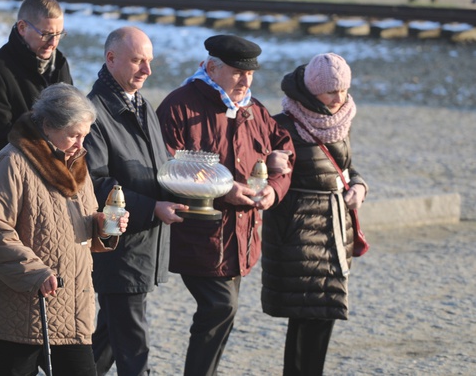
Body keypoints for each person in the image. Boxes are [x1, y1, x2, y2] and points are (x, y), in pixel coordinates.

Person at [0, 83, 129, 376]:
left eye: (85, 135)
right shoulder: (11, 163)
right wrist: (34, 271)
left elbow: (74, 227)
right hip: (11, 314)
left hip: (69, 311)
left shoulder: (76, 166)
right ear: (47, 126)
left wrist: (102, 228)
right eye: (74, 135)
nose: (81, 144)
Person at [156, 34, 294, 376]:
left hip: (243, 236)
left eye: (250, 74)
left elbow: (284, 151)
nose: (245, 80)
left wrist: (274, 189)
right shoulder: (179, 106)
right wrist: (223, 188)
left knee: (223, 314)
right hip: (197, 234)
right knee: (220, 307)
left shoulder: (254, 110)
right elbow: (167, 166)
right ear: (212, 67)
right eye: (237, 73)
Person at [83, 26, 186, 376]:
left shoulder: (142, 103)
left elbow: (159, 166)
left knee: (111, 338)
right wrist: (152, 208)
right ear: (110, 59)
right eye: (138, 61)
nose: (147, 70)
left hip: (144, 246)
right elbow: (96, 184)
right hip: (119, 250)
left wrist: (185, 182)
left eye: (150, 61)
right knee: (133, 347)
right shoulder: (94, 112)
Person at [261, 53, 369, 376]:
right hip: (299, 235)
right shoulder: (283, 125)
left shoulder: (342, 121)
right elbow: (259, 167)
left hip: (335, 233)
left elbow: (345, 168)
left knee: (325, 315)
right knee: (306, 317)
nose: (340, 98)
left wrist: (360, 187)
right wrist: (268, 165)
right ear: (312, 91)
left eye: (344, 90)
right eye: (331, 92)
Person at [0, 0, 73, 161]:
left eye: (59, 34)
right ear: (22, 27)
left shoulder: (60, 65)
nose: (53, 42)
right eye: (46, 34)